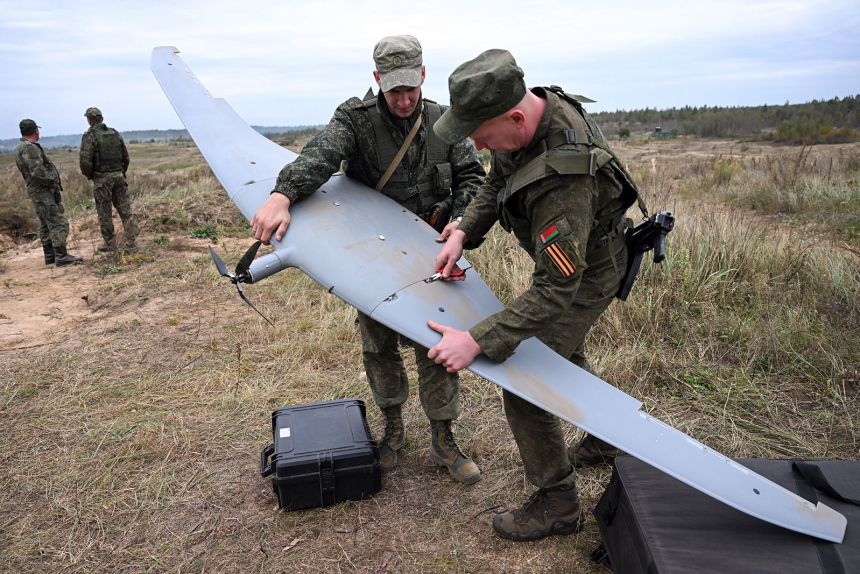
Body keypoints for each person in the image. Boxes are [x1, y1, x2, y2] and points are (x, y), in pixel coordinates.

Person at [251, 35, 486, 484]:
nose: (403, 100)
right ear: (377, 80)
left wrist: (460, 221)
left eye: (410, 89)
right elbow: (320, 155)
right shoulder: (354, 120)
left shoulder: (443, 122)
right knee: (378, 346)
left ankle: (443, 437)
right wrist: (282, 195)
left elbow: (472, 178)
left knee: (436, 347)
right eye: (393, 90)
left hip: (434, 253)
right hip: (372, 257)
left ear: (423, 76)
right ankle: (393, 430)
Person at [428, 49, 642, 540]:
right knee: (562, 358)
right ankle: (610, 440)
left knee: (526, 380)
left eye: (481, 136)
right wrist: (464, 231)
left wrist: (478, 340)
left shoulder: (563, 183)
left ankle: (558, 504)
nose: (479, 147)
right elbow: (499, 178)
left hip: (585, 276)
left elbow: (555, 289)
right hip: (574, 264)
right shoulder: (524, 120)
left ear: (516, 117)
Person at [14, 119, 83, 266]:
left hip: (36, 191)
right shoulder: (29, 148)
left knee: (45, 223)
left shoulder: (20, 146)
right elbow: (37, 171)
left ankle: (50, 256)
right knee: (59, 223)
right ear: (35, 131)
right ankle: (61, 256)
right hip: (43, 191)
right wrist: (51, 183)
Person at [79, 107, 138, 252]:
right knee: (125, 209)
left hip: (102, 179)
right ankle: (131, 241)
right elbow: (126, 157)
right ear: (102, 118)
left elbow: (85, 161)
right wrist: (120, 171)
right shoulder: (114, 133)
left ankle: (110, 244)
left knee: (104, 212)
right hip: (118, 176)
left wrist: (91, 175)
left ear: (89, 120)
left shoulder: (90, 136)